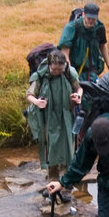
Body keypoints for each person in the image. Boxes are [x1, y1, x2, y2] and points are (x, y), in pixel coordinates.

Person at [26, 49, 83, 180]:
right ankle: (52, 180)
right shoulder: (41, 75)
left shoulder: (69, 73)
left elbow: (78, 88)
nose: (57, 72)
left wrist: (78, 96)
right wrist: (37, 102)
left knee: (68, 147)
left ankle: (66, 182)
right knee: (50, 149)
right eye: (54, 70)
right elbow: (29, 94)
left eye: (60, 70)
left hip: (66, 117)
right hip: (48, 118)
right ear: (49, 65)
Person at [57, 2, 109, 83]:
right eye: (89, 18)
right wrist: (69, 69)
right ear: (83, 14)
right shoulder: (72, 27)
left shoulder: (99, 28)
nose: (91, 22)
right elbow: (64, 50)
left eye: (94, 19)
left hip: (92, 71)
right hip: (75, 70)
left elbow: (102, 45)